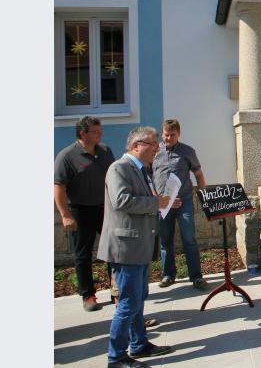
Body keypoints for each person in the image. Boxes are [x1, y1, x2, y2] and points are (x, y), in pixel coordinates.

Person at [98, 127, 173, 367]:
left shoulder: (141, 170)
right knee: (129, 302)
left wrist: (159, 203)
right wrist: (154, 202)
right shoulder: (119, 168)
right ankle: (116, 356)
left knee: (138, 298)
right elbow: (121, 201)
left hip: (138, 244)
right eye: (153, 144)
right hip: (125, 246)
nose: (157, 148)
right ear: (136, 146)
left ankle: (139, 344)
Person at [54, 116, 115, 312]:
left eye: (100, 130)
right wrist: (65, 215)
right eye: (96, 131)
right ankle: (88, 295)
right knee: (83, 254)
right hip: (79, 211)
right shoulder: (67, 156)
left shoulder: (105, 151)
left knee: (114, 251)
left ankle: (117, 291)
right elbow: (59, 188)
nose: (101, 134)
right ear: (83, 133)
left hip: (105, 208)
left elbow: (114, 177)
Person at [153, 119, 208, 290]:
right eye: (166, 135)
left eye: (172, 135)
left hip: (183, 202)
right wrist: (155, 199)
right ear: (162, 134)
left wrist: (204, 195)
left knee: (189, 238)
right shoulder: (155, 152)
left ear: (179, 134)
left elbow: (198, 173)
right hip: (163, 204)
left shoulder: (187, 151)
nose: (169, 138)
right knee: (165, 240)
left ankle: (196, 276)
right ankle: (168, 275)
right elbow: (148, 178)